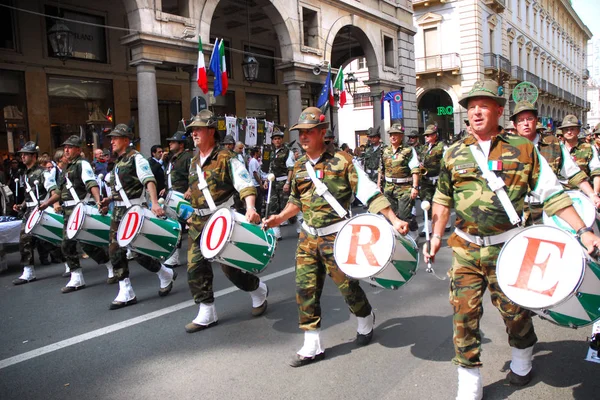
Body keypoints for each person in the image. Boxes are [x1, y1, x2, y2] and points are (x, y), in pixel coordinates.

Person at [423, 79, 600, 399]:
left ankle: (522, 355)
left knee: (514, 312)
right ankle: (469, 378)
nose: (476, 112)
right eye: (471, 106)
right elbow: (442, 199)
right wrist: (436, 236)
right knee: (464, 313)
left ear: (499, 111)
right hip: (464, 247)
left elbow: (553, 194)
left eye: (484, 106)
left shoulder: (522, 150)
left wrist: (584, 230)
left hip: (509, 246)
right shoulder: (453, 153)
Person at [263, 106, 408, 367]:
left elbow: (368, 191)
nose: (303, 137)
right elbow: (296, 201)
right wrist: (279, 218)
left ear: (321, 132)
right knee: (305, 288)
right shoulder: (298, 166)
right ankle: (312, 344)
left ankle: (365, 317)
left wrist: (394, 219)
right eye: (301, 133)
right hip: (308, 237)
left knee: (347, 287)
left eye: (309, 132)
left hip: (337, 237)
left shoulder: (343, 161)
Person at [181, 110, 268, 333]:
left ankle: (257, 290)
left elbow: (244, 183)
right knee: (194, 267)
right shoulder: (193, 161)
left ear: (211, 131)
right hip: (198, 222)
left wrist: (250, 207)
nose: (194, 134)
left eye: (198, 129)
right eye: (192, 131)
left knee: (231, 270)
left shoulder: (227, 157)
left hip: (222, 219)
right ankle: (207, 311)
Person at [99, 124, 177, 310]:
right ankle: (126, 290)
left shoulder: (136, 158)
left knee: (139, 254)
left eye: (115, 138)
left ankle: (164, 273)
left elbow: (148, 179)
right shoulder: (118, 162)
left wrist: (155, 204)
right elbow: (120, 189)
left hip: (134, 210)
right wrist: (108, 199)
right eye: (111, 138)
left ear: (126, 140)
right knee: (114, 250)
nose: (112, 141)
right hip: (118, 212)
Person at [39, 135, 114, 292]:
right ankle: (77, 277)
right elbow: (59, 192)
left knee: (89, 245)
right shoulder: (67, 168)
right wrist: (47, 203)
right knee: (67, 244)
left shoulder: (82, 164)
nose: (66, 150)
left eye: (70, 147)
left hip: (80, 208)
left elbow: (91, 183)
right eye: (65, 147)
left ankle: (110, 266)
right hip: (68, 211)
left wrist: (99, 201)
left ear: (78, 149)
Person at [510, 101, 600, 225]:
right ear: (515, 125)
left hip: (550, 208)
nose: (525, 123)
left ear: (536, 120)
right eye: (520, 120)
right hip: (519, 210)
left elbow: (574, 173)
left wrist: (592, 194)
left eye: (529, 119)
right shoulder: (508, 148)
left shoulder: (553, 144)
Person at [11, 141, 51, 285]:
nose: (22, 157)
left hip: (42, 209)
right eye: (21, 154)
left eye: (25, 154)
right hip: (28, 211)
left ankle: (69, 265)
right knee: (24, 239)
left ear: (33, 156)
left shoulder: (43, 172)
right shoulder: (24, 174)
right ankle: (28, 271)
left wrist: (50, 204)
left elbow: (53, 191)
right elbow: (28, 195)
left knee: (51, 241)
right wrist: (21, 206)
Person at [377, 124, 420, 240]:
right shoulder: (385, 151)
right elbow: (381, 169)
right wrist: (378, 185)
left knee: (404, 214)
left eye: (395, 134)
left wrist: (415, 187)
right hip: (389, 187)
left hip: (404, 187)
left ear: (401, 136)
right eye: (391, 135)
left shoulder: (408, 150)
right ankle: (396, 238)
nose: (393, 137)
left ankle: (412, 234)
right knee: (391, 215)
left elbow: (415, 169)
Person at [161, 130, 193, 268]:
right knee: (174, 226)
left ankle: (203, 249)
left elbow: (194, 174)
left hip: (181, 197)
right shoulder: (172, 158)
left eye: (173, 141)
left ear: (181, 144)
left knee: (191, 224)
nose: (170, 144)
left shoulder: (187, 158)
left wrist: (190, 189)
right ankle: (174, 255)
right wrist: (165, 188)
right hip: (171, 196)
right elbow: (169, 176)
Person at [264, 127, 294, 240]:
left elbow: (290, 168)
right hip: (273, 183)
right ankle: (277, 234)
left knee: (286, 207)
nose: (277, 141)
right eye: (275, 139)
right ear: (272, 140)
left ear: (282, 140)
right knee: (273, 206)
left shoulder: (287, 152)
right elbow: (270, 169)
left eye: (279, 138)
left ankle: (300, 227)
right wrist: (267, 181)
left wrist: (287, 183)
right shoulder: (271, 153)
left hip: (283, 181)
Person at [559, 114, 600, 193]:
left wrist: (595, 194)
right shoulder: (556, 148)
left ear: (578, 130)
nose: (569, 132)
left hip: (582, 193)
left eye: (572, 129)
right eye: (566, 129)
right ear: (562, 131)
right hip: (560, 194)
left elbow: (596, 172)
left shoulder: (589, 148)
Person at [418, 124, 447, 237]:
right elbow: (421, 159)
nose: (426, 137)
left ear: (435, 135)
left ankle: (445, 223)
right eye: (426, 135)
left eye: (429, 135)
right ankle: (428, 227)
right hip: (426, 179)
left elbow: (446, 162)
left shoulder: (441, 146)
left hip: (438, 179)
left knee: (441, 202)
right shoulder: (425, 147)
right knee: (426, 202)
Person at [248, 147, 263, 217]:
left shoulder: (256, 161)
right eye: (259, 152)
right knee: (258, 203)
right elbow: (255, 173)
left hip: (256, 184)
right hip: (255, 185)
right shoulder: (253, 161)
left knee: (259, 203)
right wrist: (260, 183)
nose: (261, 153)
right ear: (256, 153)